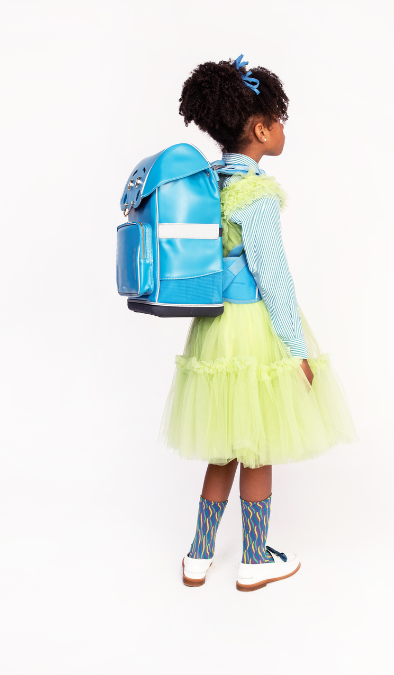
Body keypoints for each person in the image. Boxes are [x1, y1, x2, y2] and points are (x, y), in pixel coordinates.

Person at [158, 55, 358, 591]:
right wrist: (296, 348)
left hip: (213, 328)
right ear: (262, 129)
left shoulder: (208, 184)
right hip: (252, 327)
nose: (283, 128)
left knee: (221, 444)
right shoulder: (257, 193)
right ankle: (253, 559)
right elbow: (274, 277)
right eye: (278, 119)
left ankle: (198, 556)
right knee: (258, 444)